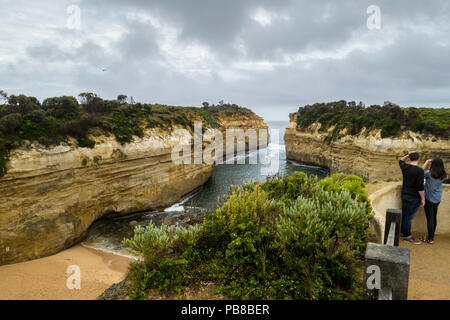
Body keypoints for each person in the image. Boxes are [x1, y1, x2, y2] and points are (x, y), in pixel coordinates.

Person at [399, 152, 425, 244]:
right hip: (414, 197)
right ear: (418, 159)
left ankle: (403, 232)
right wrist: (423, 199)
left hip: (404, 194)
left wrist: (407, 155)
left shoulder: (405, 167)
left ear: (409, 159)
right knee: (409, 217)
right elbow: (420, 187)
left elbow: (400, 161)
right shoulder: (419, 171)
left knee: (405, 214)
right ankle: (407, 236)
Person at [420, 158, 448, 244]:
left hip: (429, 199)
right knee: (434, 217)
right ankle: (431, 236)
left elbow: (419, 172)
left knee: (430, 219)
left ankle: (430, 239)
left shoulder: (429, 174)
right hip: (437, 198)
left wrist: (426, 162)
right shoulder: (444, 175)